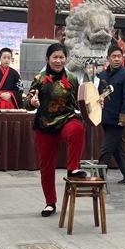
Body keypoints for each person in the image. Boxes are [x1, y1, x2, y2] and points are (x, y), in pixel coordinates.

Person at [24, 43, 86, 217]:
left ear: (66, 58)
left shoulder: (72, 78)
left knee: (78, 128)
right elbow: (27, 103)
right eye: (55, 57)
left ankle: (73, 167)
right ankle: (50, 203)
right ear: (48, 59)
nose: (58, 61)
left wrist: (94, 103)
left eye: (61, 57)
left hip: (66, 119)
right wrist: (32, 103)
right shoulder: (40, 78)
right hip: (45, 124)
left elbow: (78, 104)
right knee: (46, 166)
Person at [98, 45, 125, 184]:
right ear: (108, 58)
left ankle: (99, 177)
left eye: (119, 56)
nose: (116, 59)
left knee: (106, 149)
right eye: (113, 56)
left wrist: (124, 118)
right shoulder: (102, 75)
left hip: (118, 119)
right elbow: (98, 95)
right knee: (117, 147)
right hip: (105, 116)